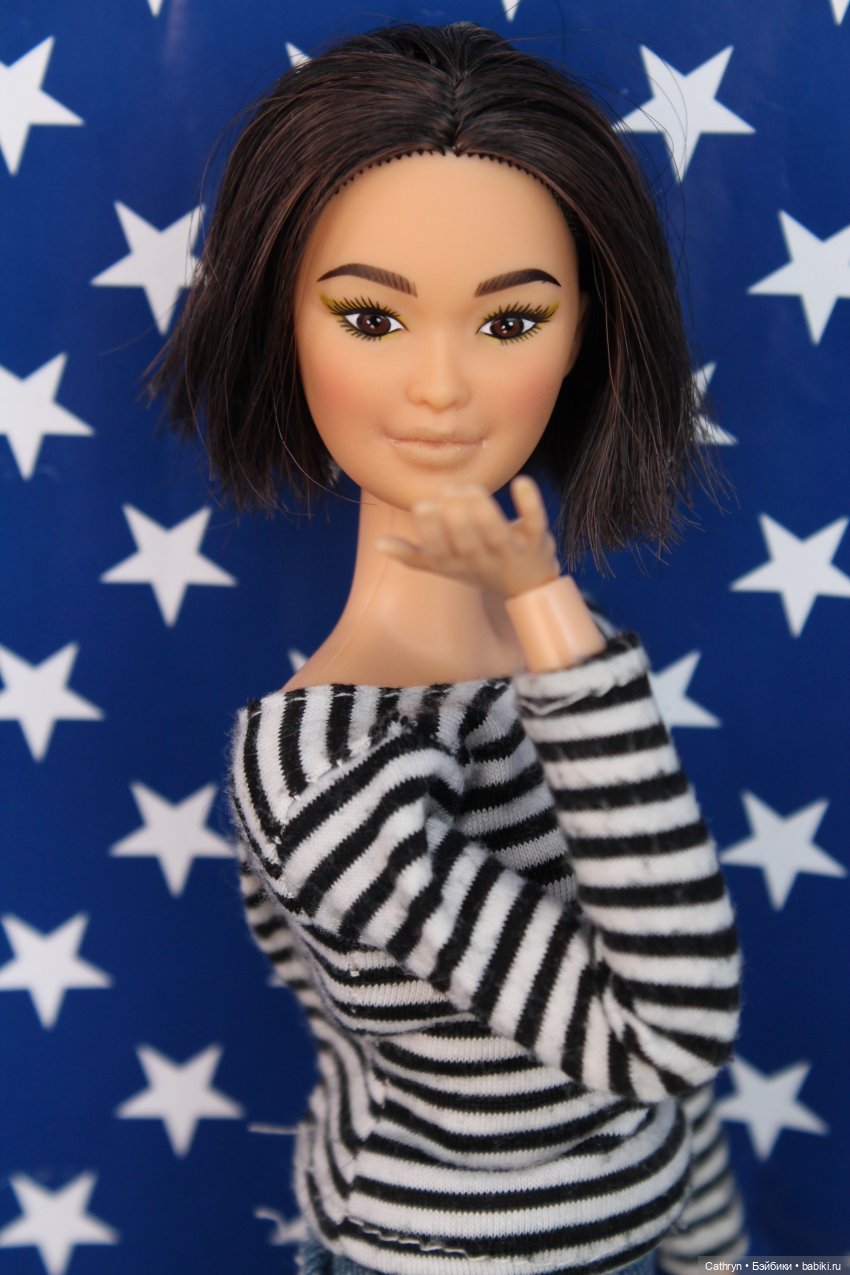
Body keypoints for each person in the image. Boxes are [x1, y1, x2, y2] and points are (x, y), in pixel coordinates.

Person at [151, 22, 747, 1275]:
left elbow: (664, 1084)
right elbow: (669, 1032)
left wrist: (708, 1243)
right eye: (369, 317)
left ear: (584, 334)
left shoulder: (571, 667)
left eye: (508, 321)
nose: (439, 388)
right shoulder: (320, 766)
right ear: (282, 322)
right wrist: (549, 620)